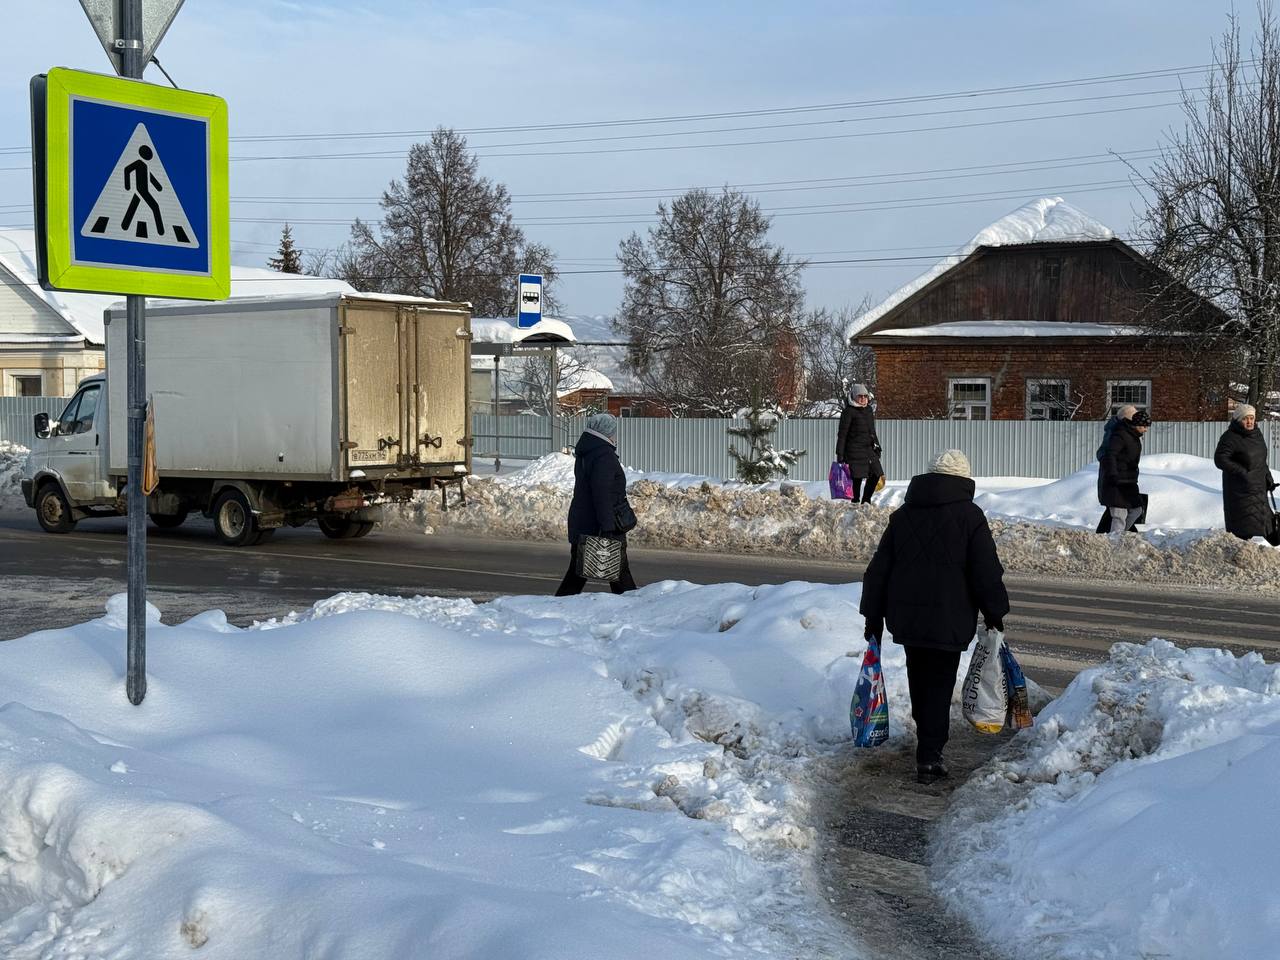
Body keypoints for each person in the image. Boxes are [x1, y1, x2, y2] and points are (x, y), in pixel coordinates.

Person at [859, 449, 1010, 784]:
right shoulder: (970, 516)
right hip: (950, 617)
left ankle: (926, 747)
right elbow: (985, 572)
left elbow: (879, 570)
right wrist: (995, 613)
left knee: (920, 679)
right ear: (963, 480)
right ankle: (930, 755)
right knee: (940, 685)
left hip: (908, 617)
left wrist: (873, 616)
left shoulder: (904, 515)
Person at [555, 412, 638, 596]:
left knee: (578, 574)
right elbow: (603, 494)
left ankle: (560, 603)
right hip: (602, 525)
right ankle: (633, 608)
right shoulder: (603, 456)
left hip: (585, 523)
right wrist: (607, 528)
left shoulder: (588, 452)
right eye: (613, 432)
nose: (615, 436)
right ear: (607, 432)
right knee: (618, 574)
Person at [1214, 403, 1277, 540]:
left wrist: (1268, 477)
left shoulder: (1257, 435)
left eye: (1251, 418)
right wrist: (1242, 472)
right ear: (1238, 420)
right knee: (1243, 529)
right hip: (1239, 491)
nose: (1249, 422)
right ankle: (1240, 557)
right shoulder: (1230, 437)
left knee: (1268, 527)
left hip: (1258, 488)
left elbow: (1261, 460)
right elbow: (1220, 459)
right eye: (1245, 419)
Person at [1099, 407, 1150, 534]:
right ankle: (1115, 540)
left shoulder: (1133, 436)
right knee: (1119, 515)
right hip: (1116, 481)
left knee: (1136, 510)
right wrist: (1113, 474)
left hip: (1128, 481)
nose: (1146, 429)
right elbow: (1107, 455)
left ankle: (1119, 535)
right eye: (1144, 426)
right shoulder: (1118, 434)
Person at [835, 383, 883, 503]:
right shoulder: (848, 412)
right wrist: (840, 455)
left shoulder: (868, 410)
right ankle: (855, 502)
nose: (863, 398)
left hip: (868, 450)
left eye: (865, 396)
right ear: (853, 397)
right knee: (856, 478)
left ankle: (866, 501)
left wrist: (877, 446)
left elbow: (872, 430)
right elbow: (842, 434)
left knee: (876, 474)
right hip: (853, 450)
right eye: (860, 396)